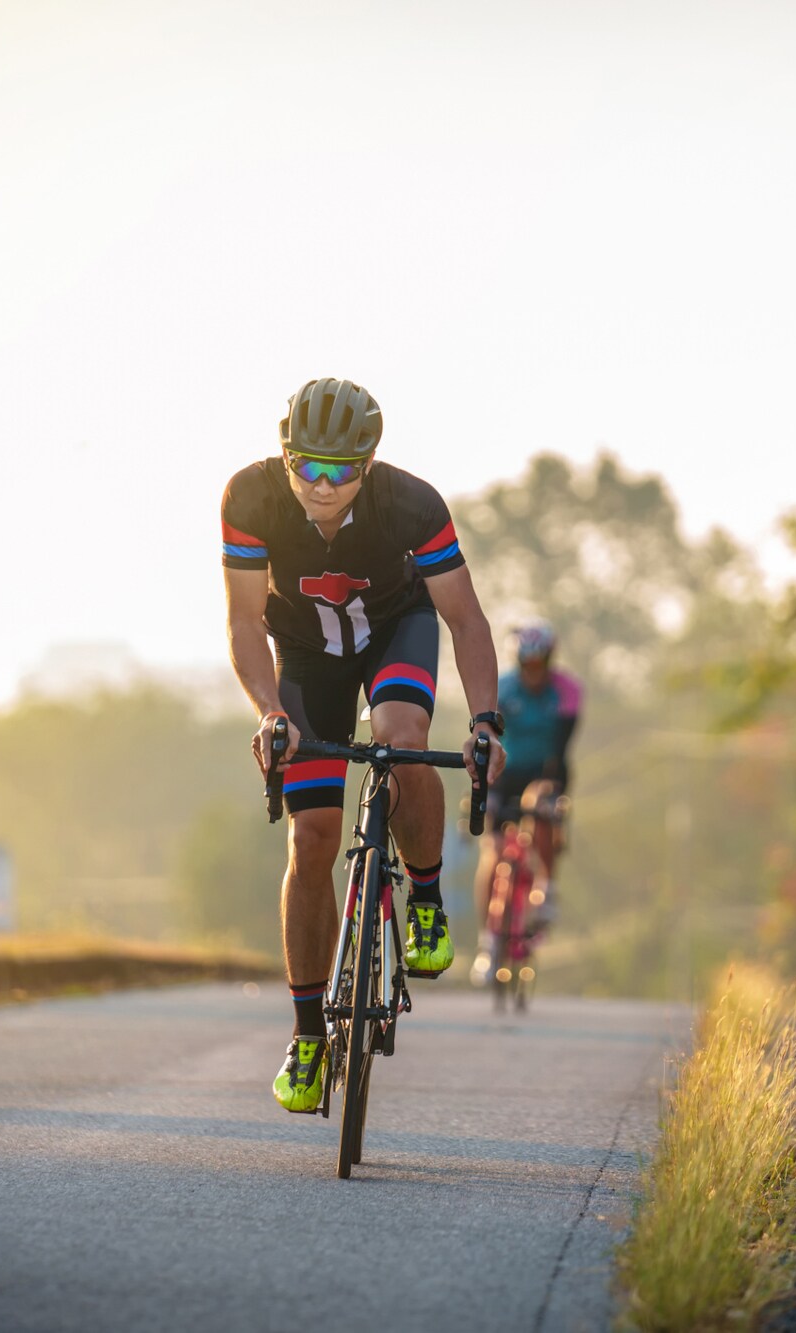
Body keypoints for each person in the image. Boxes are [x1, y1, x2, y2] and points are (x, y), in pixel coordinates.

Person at [221, 377, 507, 1114]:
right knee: (311, 839)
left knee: (401, 737)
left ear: (369, 462)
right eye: (308, 466)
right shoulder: (249, 499)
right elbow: (246, 623)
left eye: (341, 470)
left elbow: (467, 622)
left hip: (394, 633)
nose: (322, 485)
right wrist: (266, 711)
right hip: (307, 659)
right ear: (285, 456)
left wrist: (484, 722)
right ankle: (309, 1035)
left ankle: (428, 899)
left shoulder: (412, 505)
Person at [470, 620, 582, 983]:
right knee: (495, 850)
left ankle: (545, 889)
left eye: (540, 665)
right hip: (505, 774)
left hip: (546, 770)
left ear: (549, 661)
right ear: (518, 663)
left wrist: (553, 788)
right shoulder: (502, 690)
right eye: (527, 665)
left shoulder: (566, 691)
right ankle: (488, 942)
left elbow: (563, 747)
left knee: (543, 806)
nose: (533, 673)